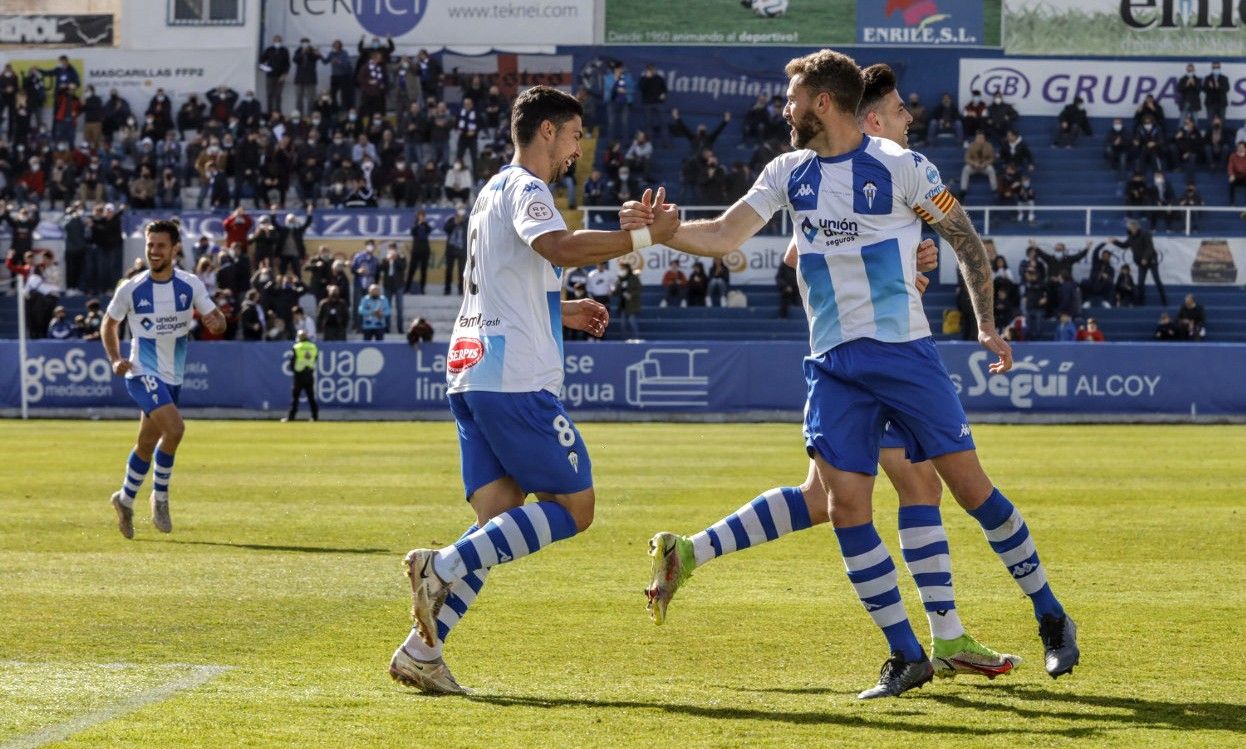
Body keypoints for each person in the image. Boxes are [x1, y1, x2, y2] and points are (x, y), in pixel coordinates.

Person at [624, 52, 1077, 698]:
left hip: (904, 356)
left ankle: (1051, 614)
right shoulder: (788, 173)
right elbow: (726, 234)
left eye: (793, 99)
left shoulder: (902, 167)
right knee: (844, 508)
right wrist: (663, 236)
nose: (785, 109)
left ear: (825, 105)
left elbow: (967, 239)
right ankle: (907, 652)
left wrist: (986, 323)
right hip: (835, 367)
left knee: (971, 490)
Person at [390, 85, 678, 695]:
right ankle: (436, 566)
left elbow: (509, 279)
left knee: (496, 525)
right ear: (547, 131)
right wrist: (647, 239)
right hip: (511, 377)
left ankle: (422, 651)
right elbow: (560, 247)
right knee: (575, 509)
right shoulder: (527, 187)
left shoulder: (492, 191)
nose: (578, 148)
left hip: (471, 369)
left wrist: (562, 310)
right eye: (574, 135)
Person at [101, 220, 226, 539]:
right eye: (150, 245)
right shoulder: (131, 287)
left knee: (146, 443)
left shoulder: (190, 284)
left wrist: (217, 321)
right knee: (176, 429)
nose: (154, 251)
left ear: (174, 249)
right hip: (141, 372)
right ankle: (160, 497)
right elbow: (109, 324)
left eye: (160, 246)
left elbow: (216, 319)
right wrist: (116, 359)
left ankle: (125, 499)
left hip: (173, 374)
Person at [1111, 220, 1166, 306]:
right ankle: (1141, 302)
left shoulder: (1146, 234)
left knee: (1157, 280)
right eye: (1130, 227)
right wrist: (1115, 241)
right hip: (1140, 262)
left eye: (1132, 227)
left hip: (1151, 260)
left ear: (1136, 227)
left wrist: (1145, 258)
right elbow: (1125, 245)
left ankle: (1164, 300)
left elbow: (1150, 247)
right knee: (1140, 282)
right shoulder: (1130, 236)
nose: (1131, 229)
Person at [284, 330, 319, 422]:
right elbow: (315, 358)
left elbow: (292, 361)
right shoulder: (313, 346)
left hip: (299, 375)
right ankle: (315, 416)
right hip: (309, 374)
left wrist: (294, 370)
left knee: (295, 398)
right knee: (311, 397)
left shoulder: (297, 347)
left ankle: (291, 417)